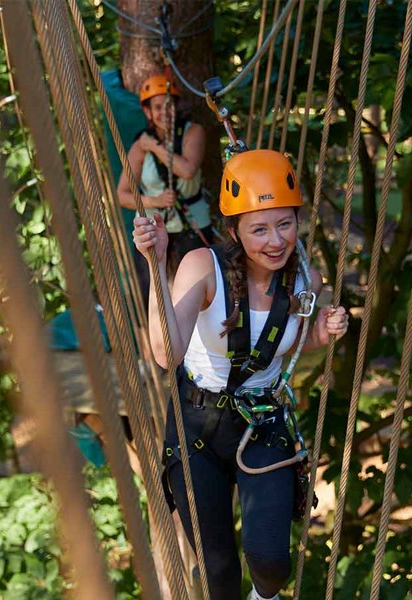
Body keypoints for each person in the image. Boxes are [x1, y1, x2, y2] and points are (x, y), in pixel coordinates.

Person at [132, 149, 349, 599]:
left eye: (285, 224)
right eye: (260, 229)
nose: (276, 241)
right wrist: (156, 262)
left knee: (271, 564)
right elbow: (166, 353)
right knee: (219, 577)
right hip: (198, 426)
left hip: (262, 422)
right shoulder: (202, 266)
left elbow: (288, 344)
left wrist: (323, 332)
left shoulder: (302, 280)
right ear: (234, 231)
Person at [117, 73, 216, 291]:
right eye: (158, 107)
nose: (165, 113)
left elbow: (187, 170)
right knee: (152, 291)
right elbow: (122, 195)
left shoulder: (192, 132)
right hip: (152, 225)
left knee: (195, 289)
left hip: (192, 223)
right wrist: (155, 200)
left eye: (169, 106)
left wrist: (154, 147)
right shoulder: (139, 145)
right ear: (148, 112)